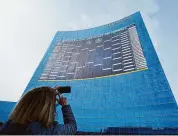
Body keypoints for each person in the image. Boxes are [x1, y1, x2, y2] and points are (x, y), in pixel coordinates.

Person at [0, 86, 77, 135]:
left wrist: (49, 94)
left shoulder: (7, 125)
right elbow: (72, 127)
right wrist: (64, 105)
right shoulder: (48, 130)